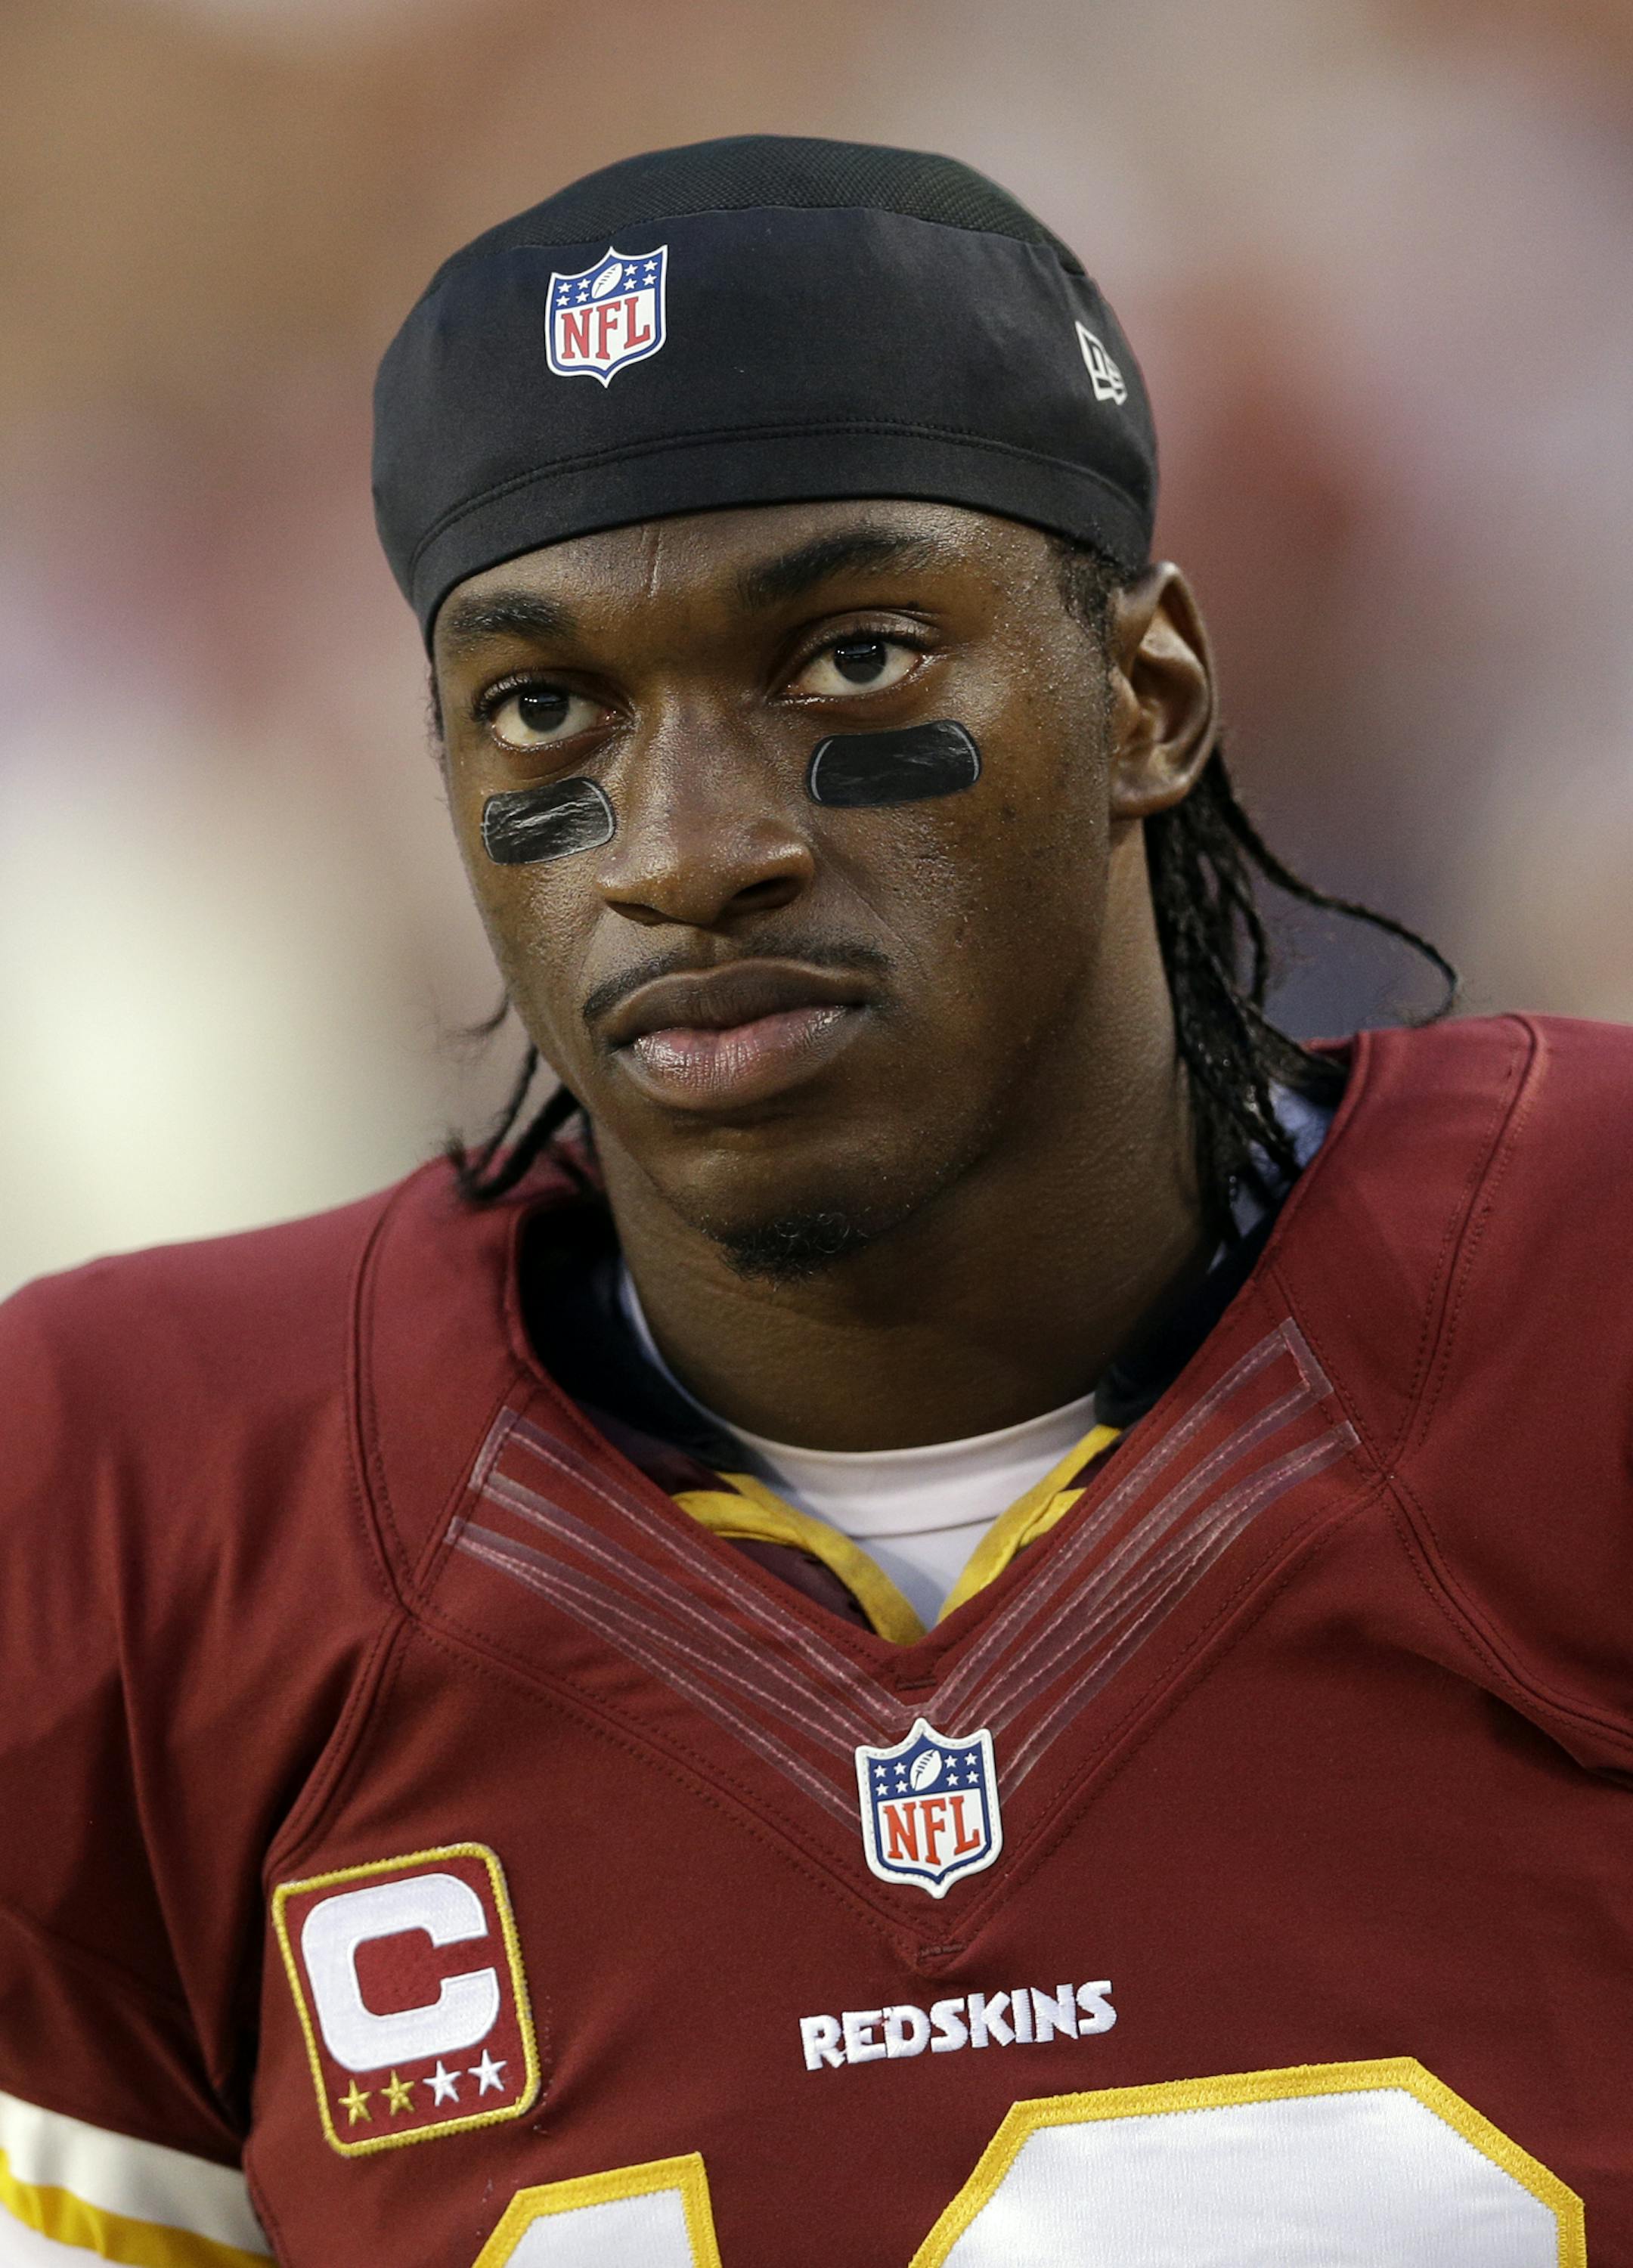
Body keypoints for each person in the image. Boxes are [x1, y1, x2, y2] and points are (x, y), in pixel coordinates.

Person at [0, 134, 1625, 2268]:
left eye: (852, 660)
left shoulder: (1584, 1305)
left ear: (1148, 700)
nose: (687, 852)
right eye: (546, 707)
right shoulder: (148, 1515)